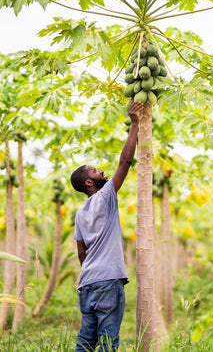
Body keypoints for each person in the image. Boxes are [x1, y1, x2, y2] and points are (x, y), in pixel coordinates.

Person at [69, 101, 144, 352]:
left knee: (85, 341)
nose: (102, 171)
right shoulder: (105, 196)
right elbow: (124, 163)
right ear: (89, 183)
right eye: (95, 171)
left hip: (87, 283)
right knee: (107, 343)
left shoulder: (80, 212)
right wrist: (134, 124)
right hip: (107, 282)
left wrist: (92, 273)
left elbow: (81, 252)